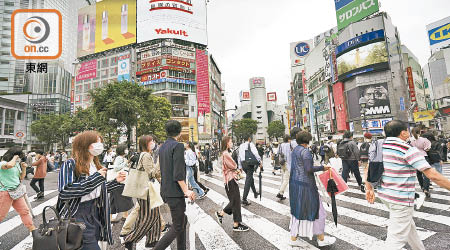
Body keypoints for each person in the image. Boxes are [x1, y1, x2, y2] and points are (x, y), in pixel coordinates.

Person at [366, 120, 450, 249]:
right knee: (396, 239)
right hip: (401, 198)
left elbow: (369, 167)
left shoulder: (379, 145)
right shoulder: (406, 148)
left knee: (409, 229)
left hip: (385, 195)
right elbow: (432, 174)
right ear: (403, 133)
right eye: (407, 131)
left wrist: (369, 188)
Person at [56, 131, 126, 250]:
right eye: (96, 142)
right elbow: (65, 192)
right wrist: (96, 178)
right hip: (77, 213)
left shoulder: (96, 165)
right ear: (85, 144)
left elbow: (98, 191)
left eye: (100, 142)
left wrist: (115, 181)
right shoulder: (70, 164)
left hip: (95, 212)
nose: (100, 145)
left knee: (82, 245)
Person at [288, 131, 335, 247]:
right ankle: (321, 239)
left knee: (298, 211)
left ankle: (293, 238)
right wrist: (322, 167)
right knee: (318, 211)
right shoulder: (306, 152)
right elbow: (308, 168)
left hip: (295, 184)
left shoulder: (295, 150)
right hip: (306, 186)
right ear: (307, 140)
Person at [154, 120, 195, 250]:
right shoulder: (177, 146)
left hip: (166, 190)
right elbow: (178, 173)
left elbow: (162, 169)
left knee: (182, 222)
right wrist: (187, 190)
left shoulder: (163, 147)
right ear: (179, 132)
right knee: (178, 225)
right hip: (175, 191)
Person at [122, 136, 163, 250]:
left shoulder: (144, 154)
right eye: (151, 141)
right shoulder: (146, 155)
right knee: (150, 216)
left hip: (146, 188)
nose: (153, 143)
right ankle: (130, 239)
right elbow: (151, 173)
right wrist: (159, 162)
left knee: (154, 215)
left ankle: (152, 240)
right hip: (146, 189)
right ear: (146, 143)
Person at [215, 136, 249, 232]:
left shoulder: (225, 153)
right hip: (230, 180)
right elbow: (233, 165)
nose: (232, 143)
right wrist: (236, 167)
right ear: (226, 143)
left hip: (230, 180)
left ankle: (226, 217)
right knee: (236, 201)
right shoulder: (226, 154)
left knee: (235, 201)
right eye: (230, 142)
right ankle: (236, 224)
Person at [0, 147, 36, 233]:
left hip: (17, 192)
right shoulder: (2, 163)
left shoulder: (16, 164)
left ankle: (33, 231)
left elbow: (21, 177)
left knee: (25, 211)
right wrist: (15, 158)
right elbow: (9, 166)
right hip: (6, 192)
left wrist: (23, 168)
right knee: (1, 215)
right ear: (14, 155)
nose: (19, 159)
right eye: (19, 156)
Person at [109, 144, 134, 223]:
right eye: (126, 149)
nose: (127, 150)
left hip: (119, 181)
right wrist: (125, 163)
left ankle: (123, 216)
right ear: (122, 150)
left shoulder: (122, 158)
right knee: (125, 197)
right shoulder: (119, 158)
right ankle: (125, 215)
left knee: (115, 199)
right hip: (120, 182)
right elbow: (116, 167)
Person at [238, 134, 262, 206]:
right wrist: (260, 161)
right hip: (249, 164)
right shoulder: (250, 144)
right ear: (249, 138)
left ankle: (255, 193)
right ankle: (244, 199)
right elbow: (255, 153)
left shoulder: (241, 146)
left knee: (250, 178)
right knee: (248, 180)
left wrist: (240, 166)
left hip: (243, 164)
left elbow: (239, 156)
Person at [410, 127, 432, 197]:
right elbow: (427, 149)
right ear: (419, 132)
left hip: (415, 157)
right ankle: (426, 188)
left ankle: (422, 186)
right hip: (423, 156)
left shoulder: (410, 140)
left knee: (419, 173)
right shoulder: (424, 140)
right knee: (426, 174)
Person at [276, 134, 293, 200]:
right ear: (288, 139)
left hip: (282, 163)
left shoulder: (280, 145)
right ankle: (280, 193)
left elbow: (278, 153)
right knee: (286, 180)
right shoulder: (290, 145)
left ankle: (281, 193)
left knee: (284, 179)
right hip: (288, 164)